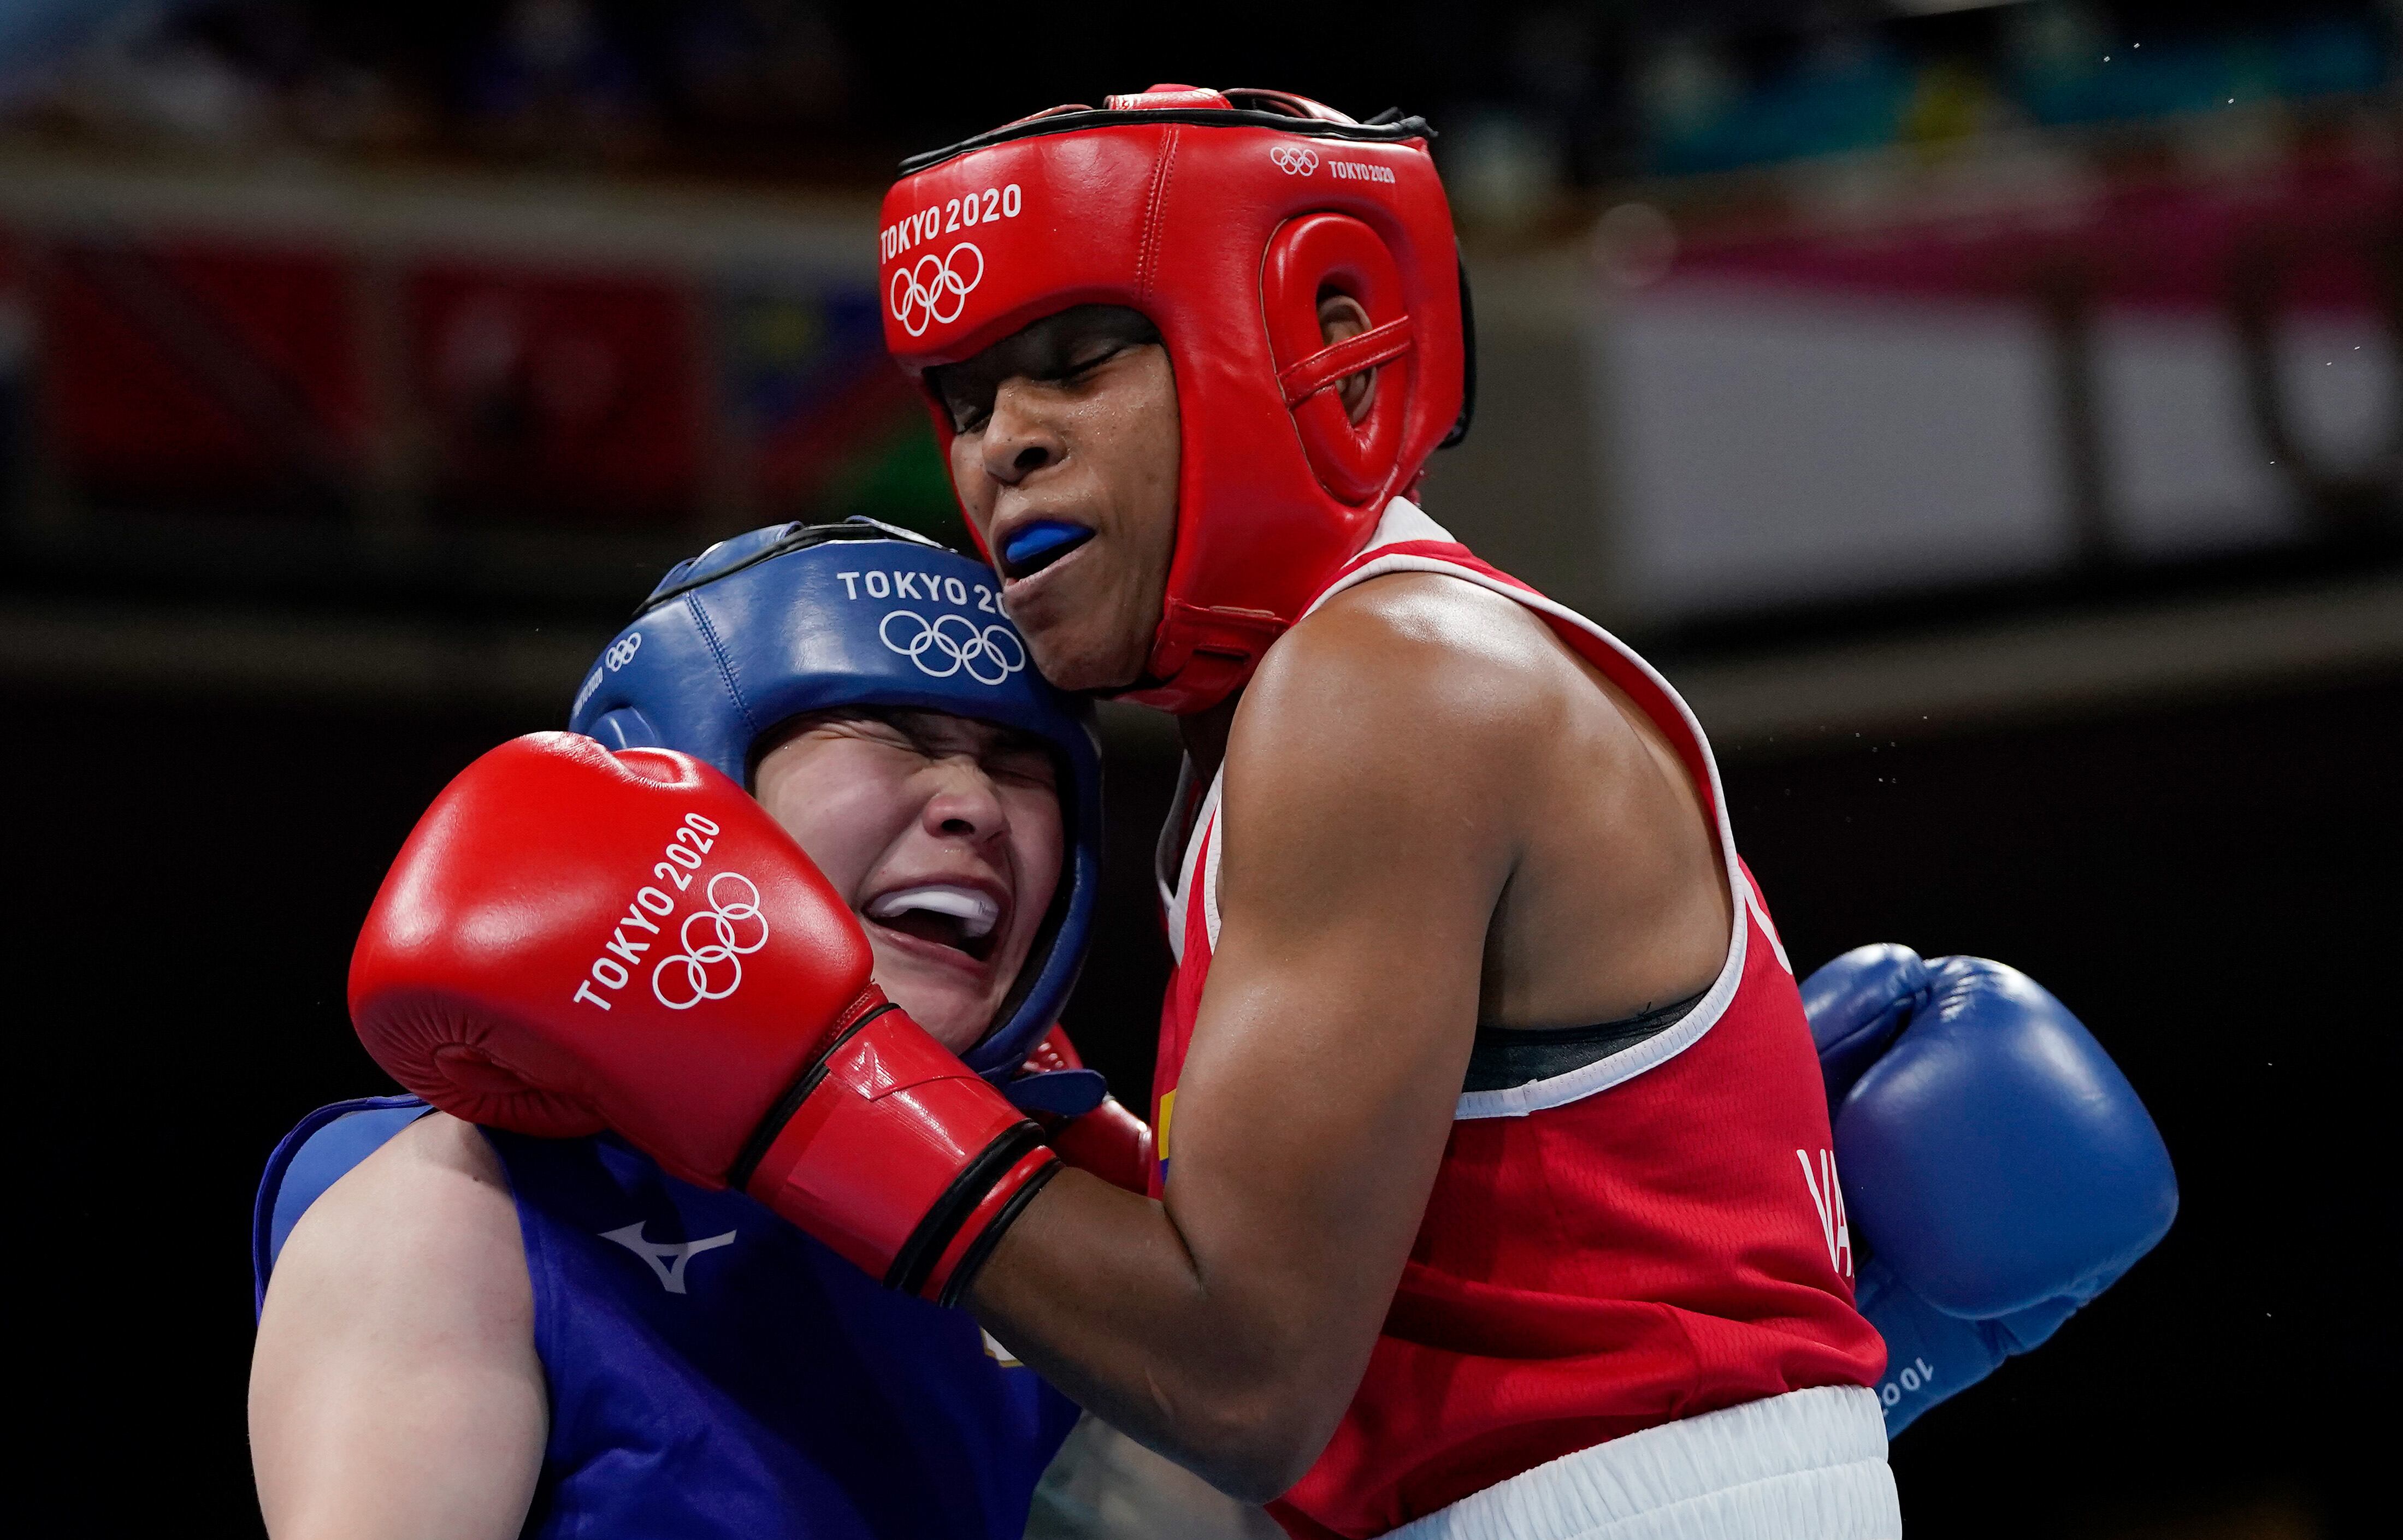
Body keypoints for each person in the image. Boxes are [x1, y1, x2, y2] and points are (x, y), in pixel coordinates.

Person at [341, 88, 2176, 1540]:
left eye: (1073, 361)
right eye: (967, 399)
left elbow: (1244, 1380)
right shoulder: (1315, 721)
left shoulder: (1382, 687)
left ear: (1314, 332)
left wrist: (799, 1077)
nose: (1005, 448)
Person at [250, 518, 1146, 1540]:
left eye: (1020, 763)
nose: (977, 805)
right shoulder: (460, 1208)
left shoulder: (1059, 1219)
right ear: (683, 777)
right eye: (898, 732)